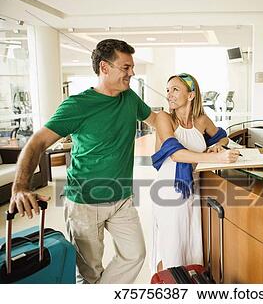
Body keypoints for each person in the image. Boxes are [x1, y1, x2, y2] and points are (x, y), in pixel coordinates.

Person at [9, 39, 157, 284]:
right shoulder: (77, 105)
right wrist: (20, 187)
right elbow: (36, 143)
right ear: (104, 67)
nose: (132, 73)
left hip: (122, 198)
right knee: (89, 272)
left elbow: (155, 118)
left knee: (135, 255)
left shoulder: (130, 98)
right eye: (126, 67)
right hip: (84, 201)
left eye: (132, 67)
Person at [150, 73, 239, 274]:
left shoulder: (201, 120)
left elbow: (223, 138)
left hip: (193, 190)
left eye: (175, 90)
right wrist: (215, 158)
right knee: (170, 246)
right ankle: (166, 286)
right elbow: (176, 154)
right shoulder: (164, 118)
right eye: (167, 90)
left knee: (190, 244)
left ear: (191, 95)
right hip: (169, 192)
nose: (169, 95)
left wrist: (216, 146)